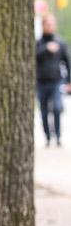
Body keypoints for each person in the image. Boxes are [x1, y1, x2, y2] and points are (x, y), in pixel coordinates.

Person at [36, 14, 71, 147]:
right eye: (48, 25)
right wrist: (46, 49)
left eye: (52, 24)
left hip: (56, 81)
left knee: (57, 108)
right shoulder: (39, 43)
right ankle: (47, 137)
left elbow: (67, 62)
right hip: (41, 82)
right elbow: (34, 57)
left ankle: (58, 136)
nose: (50, 27)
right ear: (43, 26)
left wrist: (69, 81)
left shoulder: (60, 42)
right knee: (44, 111)